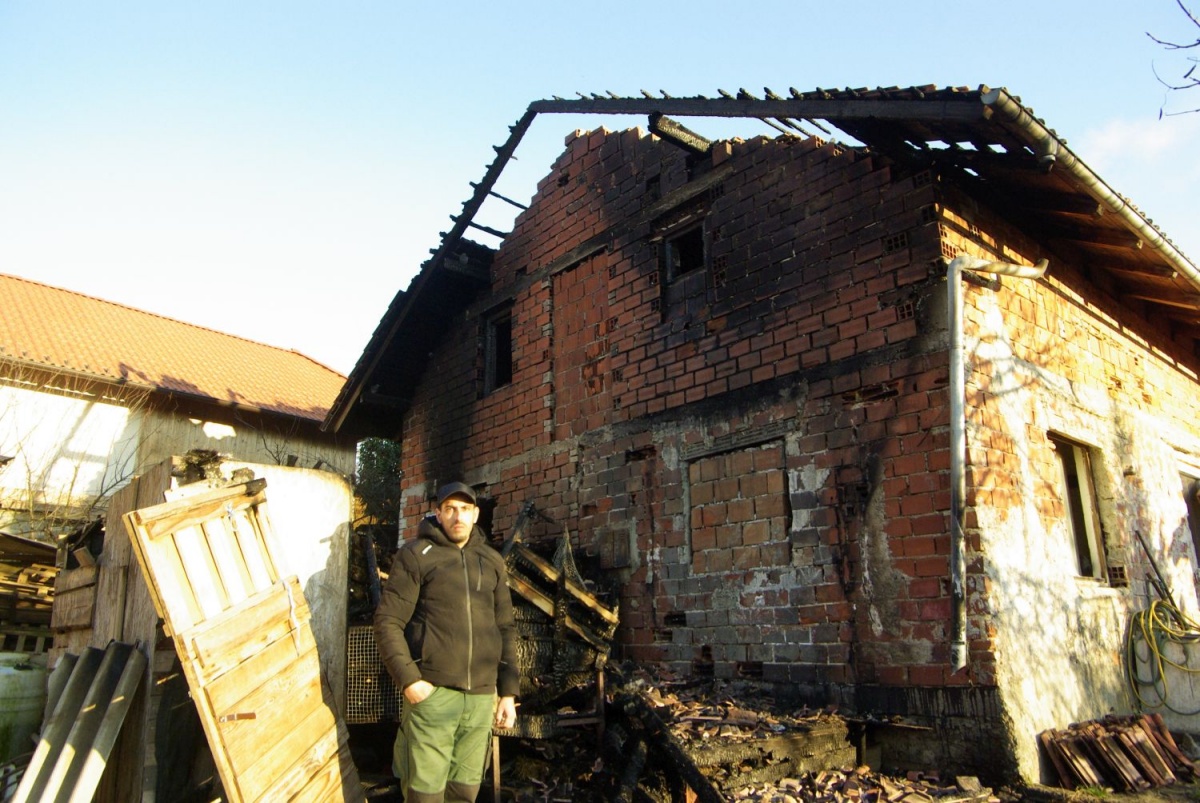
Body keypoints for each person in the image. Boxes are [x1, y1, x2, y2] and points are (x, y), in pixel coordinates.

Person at [374, 481, 519, 803]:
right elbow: (388, 622)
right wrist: (411, 681)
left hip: (481, 699)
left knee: (465, 792)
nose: (458, 516)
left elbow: (505, 627)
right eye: (450, 509)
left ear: (476, 514)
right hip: (433, 695)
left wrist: (507, 693)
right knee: (424, 794)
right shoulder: (416, 556)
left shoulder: (491, 560)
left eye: (465, 509)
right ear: (437, 513)